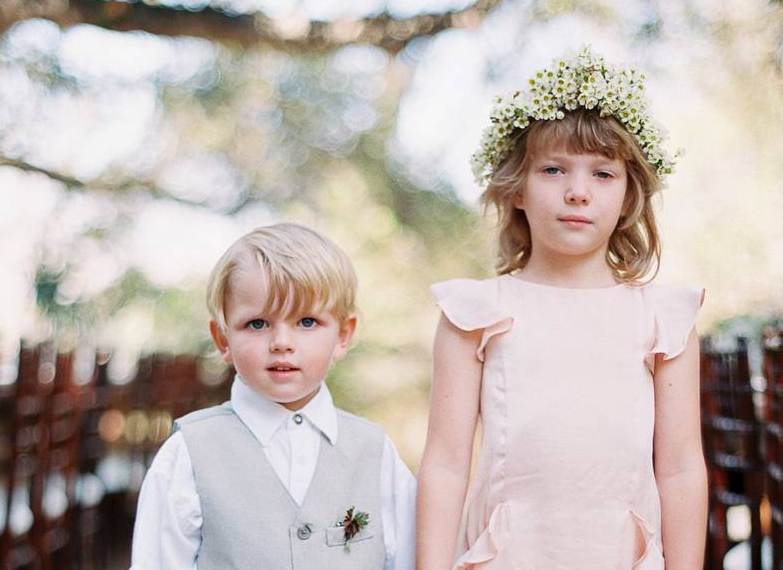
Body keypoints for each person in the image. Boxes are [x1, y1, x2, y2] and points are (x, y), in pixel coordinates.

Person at [416, 46, 707, 569]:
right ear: (517, 189)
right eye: (553, 170)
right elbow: (445, 462)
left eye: (602, 174)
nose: (577, 192)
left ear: (628, 195)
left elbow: (682, 467)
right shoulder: (476, 312)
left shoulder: (664, 319)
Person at [132, 223, 416, 569]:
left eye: (307, 322)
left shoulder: (374, 453)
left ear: (343, 335)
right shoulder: (188, 454)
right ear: (223, 339)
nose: (282, 342)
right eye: (258, 323)